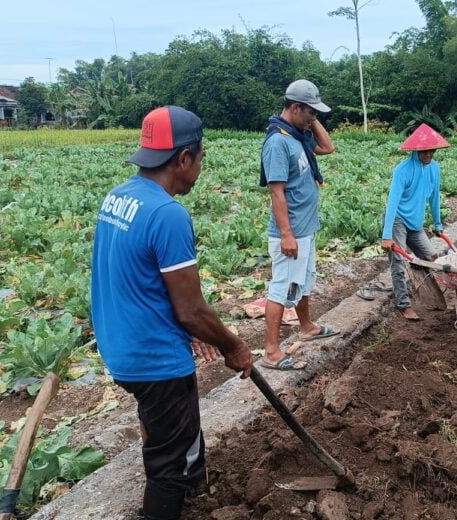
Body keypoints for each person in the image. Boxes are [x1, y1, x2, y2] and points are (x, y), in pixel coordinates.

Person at [90, 106, 254, 520]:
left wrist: (190, 326)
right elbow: (192, 308)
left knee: (165, 431)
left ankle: (194, 490)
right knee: (169, 465)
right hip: (155, 360)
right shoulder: (168, 214)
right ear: (183, 158)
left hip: (121, 346)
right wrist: (233, 345)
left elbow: (137, 279)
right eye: (200, 159)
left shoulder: (120, 196)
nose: (200, 169)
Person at [259, 79, 337, 370]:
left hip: (306, 229)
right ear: (295, 107)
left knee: (304, 281)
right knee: (282, 288)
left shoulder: (297, 136)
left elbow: (328, 147)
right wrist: (286, 235)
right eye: (311, 112)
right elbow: (276, 192)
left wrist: (311, 120)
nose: (314, 118)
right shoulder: (278, 142)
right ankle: (271, 351)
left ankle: (306, 327)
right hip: (291, 234)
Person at [380, 123, 450, 320]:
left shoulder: (434, 169)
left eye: (432, 151)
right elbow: (392, 202)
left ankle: (431, 297)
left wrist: (437, 224)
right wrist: (386, 236)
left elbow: (434, 197)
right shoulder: (403, 170)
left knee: (432, 259)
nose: (429, 155)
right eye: (424, 151)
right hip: (397, 220)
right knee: (398, 262)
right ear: (416, 150)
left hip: (415, 223)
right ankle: (404, 304)